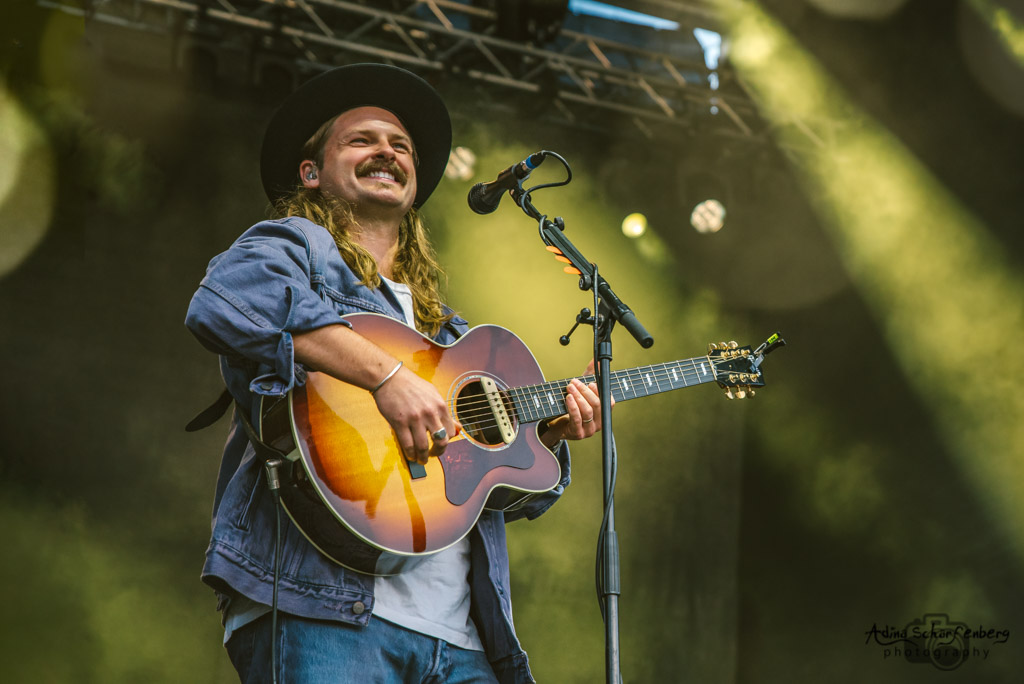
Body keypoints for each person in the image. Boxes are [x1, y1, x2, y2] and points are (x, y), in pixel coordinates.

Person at [185, 63, 604, 684]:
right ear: (312, 173)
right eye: (361, 140)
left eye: (400, 145)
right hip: (323, 612)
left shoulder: (450, 335)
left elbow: (488, 491)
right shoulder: (293, 245)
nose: (387, 150)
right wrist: (385, 377)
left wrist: (544, 438)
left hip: (463, 638)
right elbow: (224, 300)